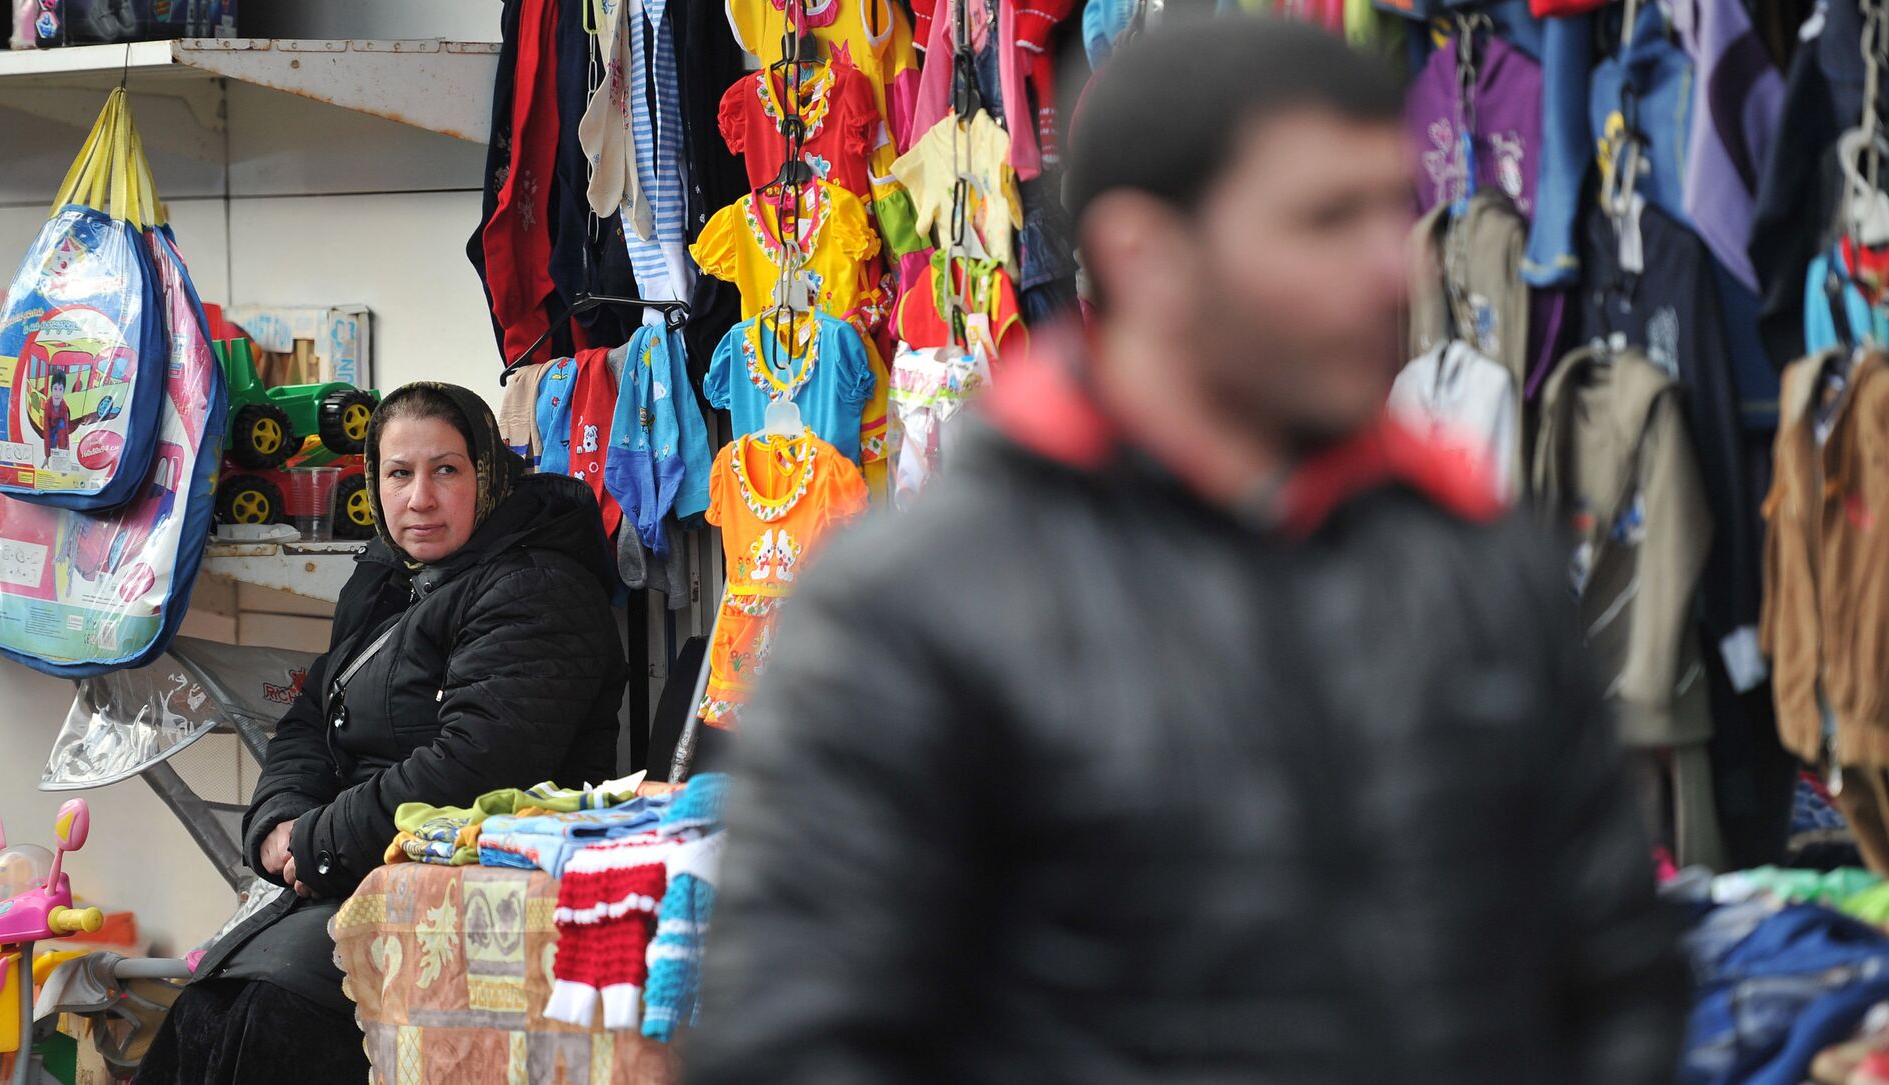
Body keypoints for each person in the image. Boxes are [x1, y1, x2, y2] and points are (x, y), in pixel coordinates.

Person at [687, 17, 1687, 1085]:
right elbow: (799, 1041)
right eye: (1324, 221)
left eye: (1388, 210)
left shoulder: (1473, 570)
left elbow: (1616, 981)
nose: (1389, 268)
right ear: (1145, 257)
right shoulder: (914, 616)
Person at [133, 382, 629, 1085]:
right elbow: (312, 715)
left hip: (472, 882)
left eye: (445, 470)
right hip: (366, 865)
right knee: (210, 1007)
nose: (419, 498)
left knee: (269, 1018)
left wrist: (316, 842)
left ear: (488, 475)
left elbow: (476, 767)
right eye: (399, 473)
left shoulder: (538, 589)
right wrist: (280, 820)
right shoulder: (393, 575)